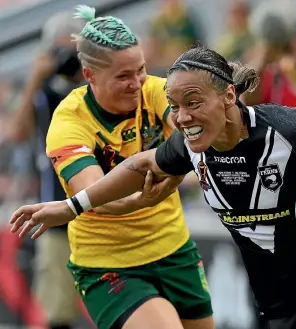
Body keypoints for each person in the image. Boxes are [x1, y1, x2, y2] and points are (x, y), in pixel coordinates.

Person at [9, 45, 296, 329]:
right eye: (174, 106)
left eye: (193, 102)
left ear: (228, 95)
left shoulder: (294, 130)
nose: (182, 116)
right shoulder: (190, 147)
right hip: (287, 309)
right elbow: (140, 163)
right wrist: (71, 207)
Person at [13, 6, 215, 329]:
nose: (137, 83)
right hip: (109, 262)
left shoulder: (155, 90)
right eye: (123, 76)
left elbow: (190, 134)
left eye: (141, 70)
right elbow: (96, 194)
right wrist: (142, 197)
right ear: (89, 75)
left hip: (174, 247)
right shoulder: (68, 121)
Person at [6, 11, 86, 329]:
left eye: (73, 52)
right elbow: (18, 132)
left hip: (100, 211)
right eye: (60, 52)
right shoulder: (44, 94)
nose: (67, 60)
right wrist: (35, 79)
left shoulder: (97, 89)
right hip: (56, 216)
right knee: (57, 311)